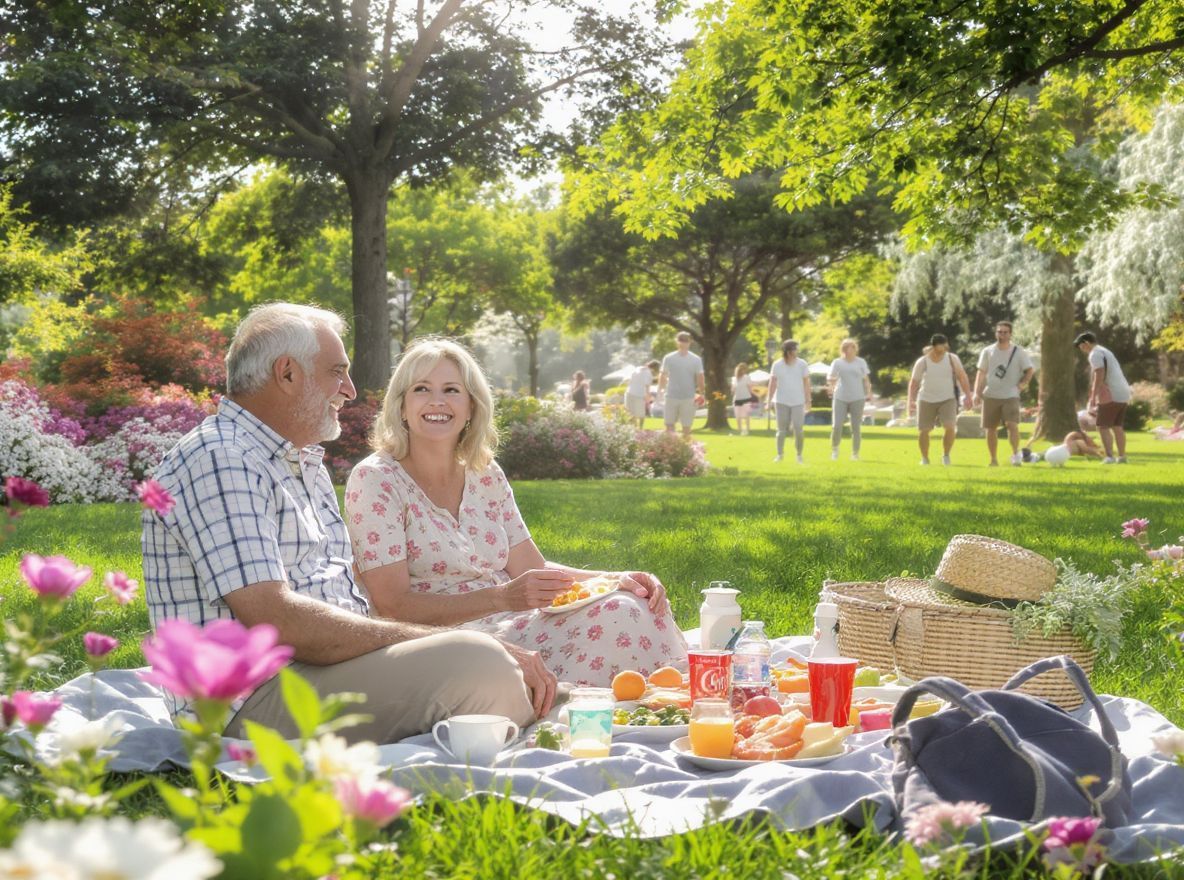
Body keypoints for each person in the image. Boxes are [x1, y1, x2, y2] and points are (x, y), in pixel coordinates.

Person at [142, 303, 539, 746]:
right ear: (287, 374)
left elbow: (343, 604)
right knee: (481, 663)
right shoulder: (221, 459)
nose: (349, 390)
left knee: (485, 658)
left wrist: (430, 643)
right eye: (337, 372)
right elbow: (278, 621)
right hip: (252, 699)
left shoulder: (297, 462)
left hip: (326, 668)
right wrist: (441, 641)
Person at [344, 337, 687, 687]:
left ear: (471, 407)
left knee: (629, 603)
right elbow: (392, 605)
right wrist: (501, 597)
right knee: (618, 619)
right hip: (440, 641)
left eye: (451, 390)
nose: (437, 401)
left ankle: (656, 701)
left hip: (509, 621)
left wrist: (613, 578)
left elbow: (530, 568)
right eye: (421, 389)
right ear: (401, 405)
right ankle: (580, 705)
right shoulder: (376, 480)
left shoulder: (484, 473)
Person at [973, 321, 1035, 467]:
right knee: (990, 428)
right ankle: (993, 459)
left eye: (1005, 332)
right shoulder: (988, 351)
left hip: (1011, 394)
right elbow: (981, 373)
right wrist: (976, 393)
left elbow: (1030, 370)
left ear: (1010, 334)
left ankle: (1016, 455)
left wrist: (1023, 383)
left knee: (1012, 425)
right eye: (999, 332)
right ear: (996, 333)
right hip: (991, 394)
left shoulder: (1019, 351)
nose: (1002, 334)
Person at [907, 334, 973, 466]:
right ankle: (925, 458)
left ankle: (946, 455)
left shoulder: (952, 359)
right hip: (926, 398)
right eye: (938, 348)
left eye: (943, 347)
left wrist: (968, 395)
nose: (941, 351)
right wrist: (910, 401)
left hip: (948, 398)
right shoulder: (923, 361)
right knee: (924, 430)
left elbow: (962, 376)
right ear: (933, 347)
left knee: (950, 426)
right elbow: (914, 382)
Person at [1074, 332, 1131, 463]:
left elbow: (1099, 374)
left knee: (1102, 426)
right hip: (1123, 392)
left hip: (1111, 393)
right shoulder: (1106, 351)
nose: (1081, 349)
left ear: (1087, 343)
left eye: (1081, 346)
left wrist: (1093, 396)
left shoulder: (1095, 354)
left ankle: (1109, 457)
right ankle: (1122, 457)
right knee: (1117, 426)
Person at [826, 339, 873, 461]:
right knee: (837, 425)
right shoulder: (837, 362)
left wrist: (869, 393)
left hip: (857, 397)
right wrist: (831, 381)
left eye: (852, 347)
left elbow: (866, 379)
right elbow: (830, 376)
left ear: (855, 349)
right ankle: (835, 450)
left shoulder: (861, 362)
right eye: (847, 348)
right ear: (843, 350)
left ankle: (855, 453)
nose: (850, 350)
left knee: (856, 426)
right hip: (840, 396)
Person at [767, 339, 811, 463]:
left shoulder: (802, 364)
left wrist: (808, 400)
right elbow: (772, 383)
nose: (797, 351)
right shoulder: (777, 364)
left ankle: (799, 455)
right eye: (796, 349)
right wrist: (769, 400)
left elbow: (806, 383)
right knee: (781, 430)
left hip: (798, 401)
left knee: (798, 429)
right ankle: (779, 455)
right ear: (789, 351)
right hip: (781, 401)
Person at [658, 332, 705, 437]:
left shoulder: (696, 359)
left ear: (690, 342)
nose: (683, 343)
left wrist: (702, 393)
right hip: (671, 395)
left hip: (688, 397)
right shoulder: (669, 358)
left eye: (686, 341)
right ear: (677, 341)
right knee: (669, 426)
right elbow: (663, 374)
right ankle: (671, 446)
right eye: (681, 340)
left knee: (686, 427)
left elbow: (700, 377)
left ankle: (686, 447)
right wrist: (661, 390)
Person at [625, 360, 660, 428]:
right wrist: (648, 397)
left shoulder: (638, 368)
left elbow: (630, 380)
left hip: (628, 393)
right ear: (655, 368)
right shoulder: (648, 373)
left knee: (631, 414)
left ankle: (632, 429)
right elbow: (647, 387)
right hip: (638, 395)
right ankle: (640, 429)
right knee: (641, 415)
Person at [731, 363, 757, 435]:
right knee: (738, 415)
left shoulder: (746, 377)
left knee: (746, 415)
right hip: (737, 399)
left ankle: (747, 429)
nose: (744, 371)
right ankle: (740, 429)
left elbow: (750, 388)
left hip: (746, 398)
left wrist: (754, 394)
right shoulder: (734, 379)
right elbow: (733, 390)